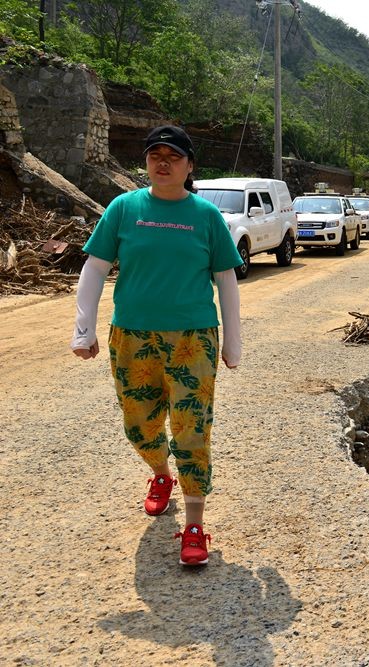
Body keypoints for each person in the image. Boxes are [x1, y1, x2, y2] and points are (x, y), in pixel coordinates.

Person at [70, 125, 244, 567]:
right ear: (146, 162)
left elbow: (226, 278)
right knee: (140, 425)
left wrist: (234, 341)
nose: (162, 163)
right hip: (133, 335)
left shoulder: (206, 216)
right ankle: (160, 474)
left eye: (173, 156)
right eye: (155, 155)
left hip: (194, 338)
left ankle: (194, 524)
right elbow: (95, 267)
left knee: (192, 428)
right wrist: (83, 329)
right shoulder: (124, 208)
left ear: (189, 166)